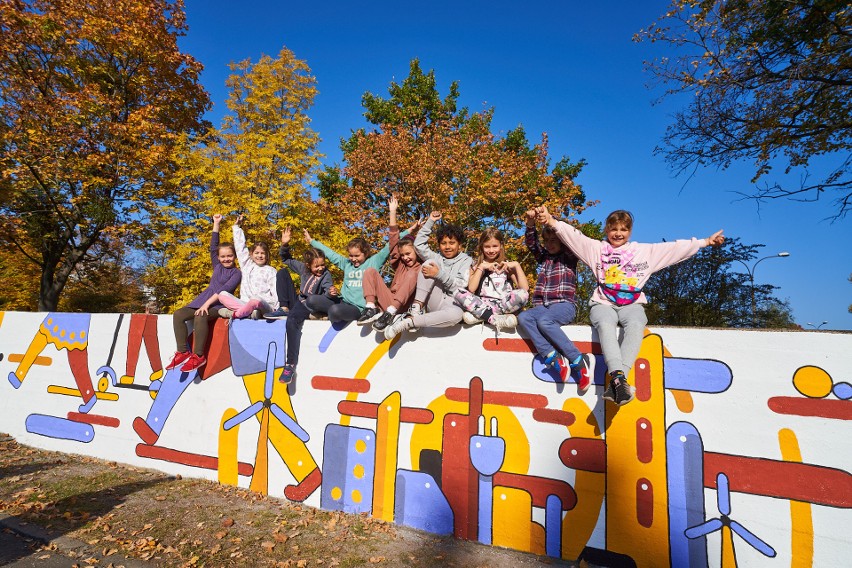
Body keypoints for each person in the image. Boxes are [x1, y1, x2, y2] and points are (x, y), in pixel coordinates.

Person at [536, 206, 725, 405]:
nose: (618, 234)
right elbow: (575, 237)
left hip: (632, 302)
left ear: (630, 232)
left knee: (636, 323)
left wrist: (705, 242)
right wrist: (551, 221)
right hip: (603, 302)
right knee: (606, 324)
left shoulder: (642, 252)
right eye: (613, 229)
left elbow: (673, 248)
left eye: (623, 230)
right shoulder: (597, 250)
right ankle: (619, 378)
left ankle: (618, 379)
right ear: (606, 230)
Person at [517, 209, 589, 392]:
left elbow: (569, 238)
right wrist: (531, 223)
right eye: (546, 241)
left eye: (553, 241)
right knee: (524, 318)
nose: (549, 245)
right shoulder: (545, 258)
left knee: (545, 321)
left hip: (564, 305)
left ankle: (577, 360)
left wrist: (550, 222)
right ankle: (552, 355)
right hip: (543, 306)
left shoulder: (570, 256)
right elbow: (532, 245)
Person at [166, 214, 242, 373]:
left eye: (229, 256)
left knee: (201, 316)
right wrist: (216, 223)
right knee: (179, 314)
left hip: (219, 304)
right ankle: (182, 352)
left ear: (234, 256)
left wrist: (206, 305)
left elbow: (223, 292)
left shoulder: (236, 273)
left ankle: (198, 356)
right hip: (204, 299)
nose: (226, 259)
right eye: (223, 256)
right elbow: (213, 246)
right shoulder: (217, 266)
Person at [384, 211, 472, 339]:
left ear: (460, 245)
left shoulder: (466, 260)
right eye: (443, 243)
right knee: (429, 263)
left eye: (452, 243)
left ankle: (410, 322)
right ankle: (415, 308)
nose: (447, 247)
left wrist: (439, 274)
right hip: (434, 300)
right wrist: (430, 221)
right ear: (439, 245)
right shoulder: (437, 257)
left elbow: (461, 285)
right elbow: (418, 245)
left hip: (454, 303)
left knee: (457, 315)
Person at [267, 228, 336, 383]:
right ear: (307, 265)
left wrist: (331, 293)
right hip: (300, 300)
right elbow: (286, 260)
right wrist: (284, 244)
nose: (320, 268)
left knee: (293, 320)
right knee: (282, 273)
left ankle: (290, 364)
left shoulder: (325, 275)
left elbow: (326, 294)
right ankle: (283, 307)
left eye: (322, 265)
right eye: (316, 266)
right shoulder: (303, 269)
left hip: (312, 303)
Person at [306, 222, 403, 325]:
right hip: (342, 302)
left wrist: (409, 231)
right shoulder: (346, 264)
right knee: (311, 300)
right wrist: (311, 241)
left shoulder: (374, 262)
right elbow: (330, 253)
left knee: (334, 311)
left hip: (358, 308)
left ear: (365, 253)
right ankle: (326, 314)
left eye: (357, 256)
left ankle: (327, 314)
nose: (353, 259)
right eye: (351, 256)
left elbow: (390, 245)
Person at [356, 194, 424, 332]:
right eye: (402, 255)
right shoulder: (400, 265)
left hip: (402, 307)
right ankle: (370, 308)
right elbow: (393, 240)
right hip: (388, 303)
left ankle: (391, 313)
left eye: (408, 254)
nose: (405, 258)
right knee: (370, 271)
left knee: (412, 274)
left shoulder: (421, 267)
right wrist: (392, 212)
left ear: (416, 252)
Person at [454, 228, 530, 332]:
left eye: (495, 246)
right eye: (487, 247)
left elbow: (525, 289)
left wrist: (517, 266)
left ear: (501, 246)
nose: (491, 250)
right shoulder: (475, 266)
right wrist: (482, 267)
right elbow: (471, 289)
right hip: (482, 303)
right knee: (458, 292)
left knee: (523, 294)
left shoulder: (506, 266)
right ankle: (492, 318)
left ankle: (482, 316)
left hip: (502, 305)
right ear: (481, 247)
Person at [214, 214, 278, 320]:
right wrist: (236, 228)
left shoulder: (271, 271)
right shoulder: (247, 265)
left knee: (255, 300)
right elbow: (240, 248)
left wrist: (277, 308)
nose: (260, 255)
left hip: (265, 305)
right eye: (257, 253)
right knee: (222, 294)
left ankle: (235, 314)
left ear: (267, 256)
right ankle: (249, 313)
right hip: (245, 303)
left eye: (263, 253)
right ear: (251, 254)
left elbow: (275, 290)